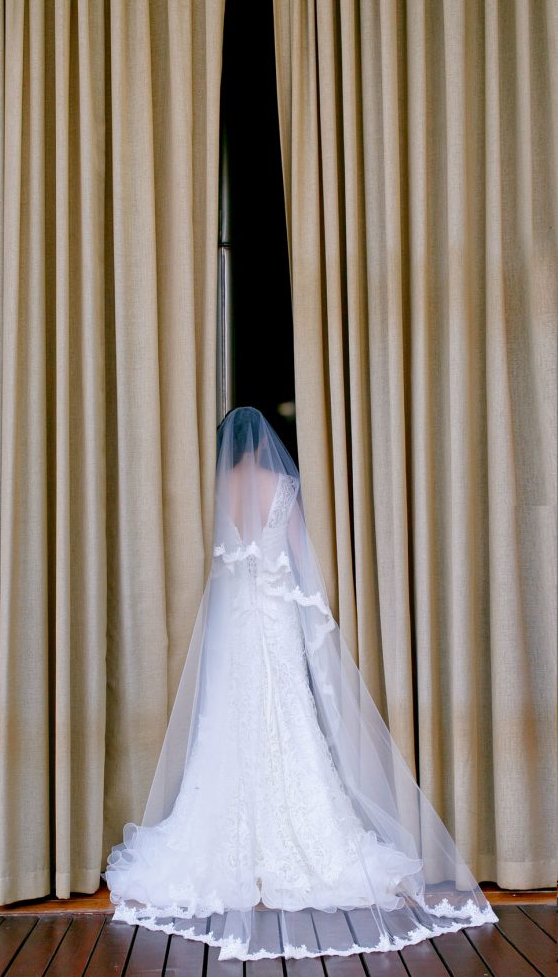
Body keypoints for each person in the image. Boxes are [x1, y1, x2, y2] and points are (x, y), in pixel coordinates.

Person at [102, 406, 498, 962]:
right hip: (273, 619)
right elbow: (299, 562)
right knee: (289, 721)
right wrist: (315, 622)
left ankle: (227, 841)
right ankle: (306, 843)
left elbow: (204, 562)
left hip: (229, 624)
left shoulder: (212, 485)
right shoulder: (282, 485)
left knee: (226, 723)